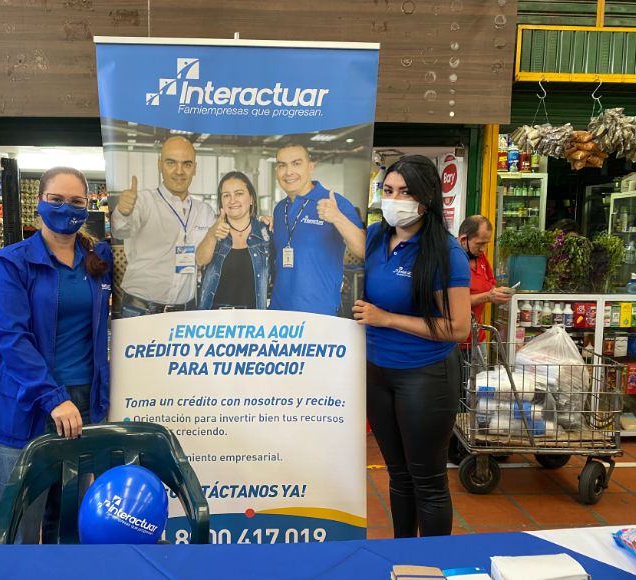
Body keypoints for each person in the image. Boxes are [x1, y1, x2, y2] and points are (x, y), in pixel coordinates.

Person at [0, 166, 112, 543]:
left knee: (68, 525)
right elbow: (12, 341)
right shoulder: (10, 265)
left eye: (76, 201)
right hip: (22, 409)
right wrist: (53, 398)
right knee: (19, 529)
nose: (66, 208)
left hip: (82, 406)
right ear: (39, 202)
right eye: (56, 199)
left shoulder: (97, 260)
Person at [352, 155, 471, 538]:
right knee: (399, 475)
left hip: (425, 376)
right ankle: (403, 555)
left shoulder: (445, 252)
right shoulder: (375, 237)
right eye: (388, 190)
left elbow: (458, 327)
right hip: (377, 373)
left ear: (427, 197)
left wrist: (386, 319)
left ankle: (433, 562)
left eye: (405, 192)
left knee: (428, 481)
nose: (394, 199)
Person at [112, 136, 216, 316]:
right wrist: (123, 212)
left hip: (184, 312)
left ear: (195, 168)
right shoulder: (142, 201)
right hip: (140, 310)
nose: (179, 171)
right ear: (160, 165)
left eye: (187, 164)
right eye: (171, 163)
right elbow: (120, 230)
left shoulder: (204, 211)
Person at [269, 143, 365, 316]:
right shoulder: (280, 208)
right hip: (279, 313)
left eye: (296, 163)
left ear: (310, 167)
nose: (288, 172)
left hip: (319, 315)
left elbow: (364, 249)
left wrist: (337, 217)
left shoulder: (334, 202)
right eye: (282, 165)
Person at [197, 171, 271, 310]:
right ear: (221, 202)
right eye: (226, 195)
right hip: (213, 318)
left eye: (239, 193)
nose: (232, 200)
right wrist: (212, 234)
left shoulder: (265, 233)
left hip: (253, 318)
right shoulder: (212, 228)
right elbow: (200, 260)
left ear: (251, 199)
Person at [457, 215, 512, 345]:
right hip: (456, 341)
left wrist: (498, 294)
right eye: (479, 244)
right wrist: (488, 296)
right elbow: (454, 301)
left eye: (486, 243)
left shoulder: (480, 257)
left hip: (477, 336)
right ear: (463, 239)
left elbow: (490, 285)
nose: (483, 249)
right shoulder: (451, 259)